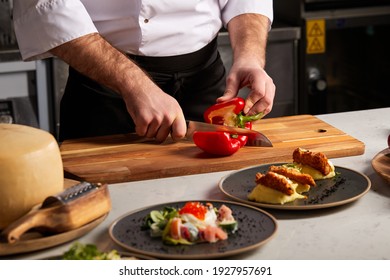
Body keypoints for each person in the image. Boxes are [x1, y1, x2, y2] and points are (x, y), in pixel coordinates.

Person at [13, 1, 276, 142]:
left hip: (206, 86)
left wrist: (250, 57)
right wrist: (133, 84)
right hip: (105, 91)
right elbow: (44, 6)